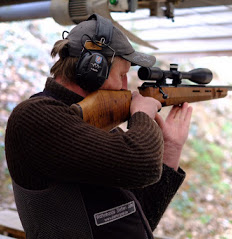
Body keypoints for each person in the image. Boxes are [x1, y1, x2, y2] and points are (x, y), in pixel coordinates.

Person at [5, 14, 192, 239]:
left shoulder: (94, 127)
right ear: (94, 69)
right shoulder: (35, 116)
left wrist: (170, 147)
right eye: (122, 75)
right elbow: (142, 164)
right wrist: (142, 114)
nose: (125, 86)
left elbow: (138, 218)